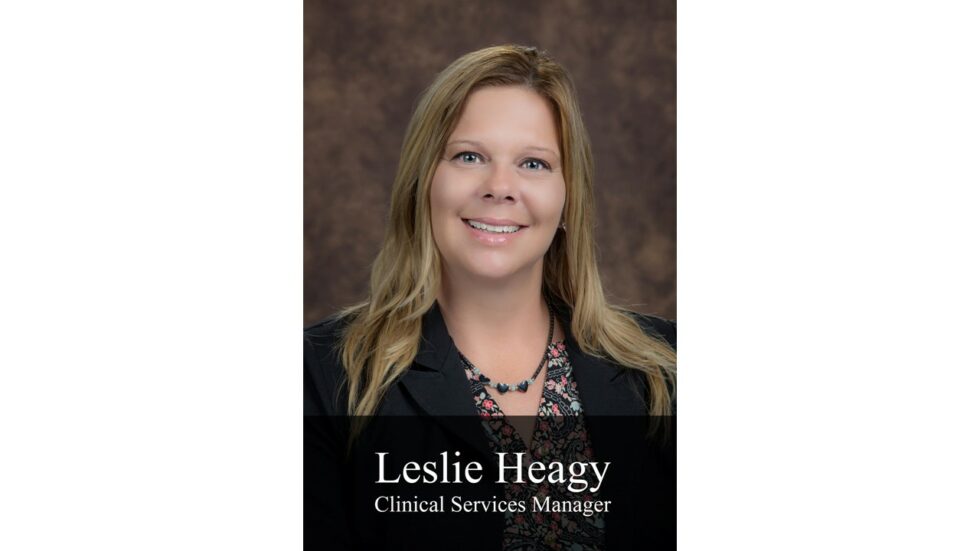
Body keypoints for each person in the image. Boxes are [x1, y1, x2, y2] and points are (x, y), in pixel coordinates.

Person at [305, 44, 676, 551]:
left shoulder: (665, 370)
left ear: (568, 197)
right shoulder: (322, 376)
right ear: (423, 181)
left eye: (534, 163)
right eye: (469, 156)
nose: (500, 187)